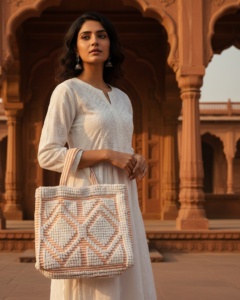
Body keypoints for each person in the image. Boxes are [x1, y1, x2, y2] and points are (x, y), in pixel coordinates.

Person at [38, 11, 157, 300]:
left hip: (123, 196)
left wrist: (135, 158)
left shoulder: (122, 98)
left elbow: (121, 149)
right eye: (86, 36)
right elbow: (47, 154)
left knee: (127, 274)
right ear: (75, 47)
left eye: (101, 35)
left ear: (111, 46)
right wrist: (106, 155)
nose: (94, 41)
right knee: (92, 274)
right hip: (87, 195)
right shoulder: (67, 92)